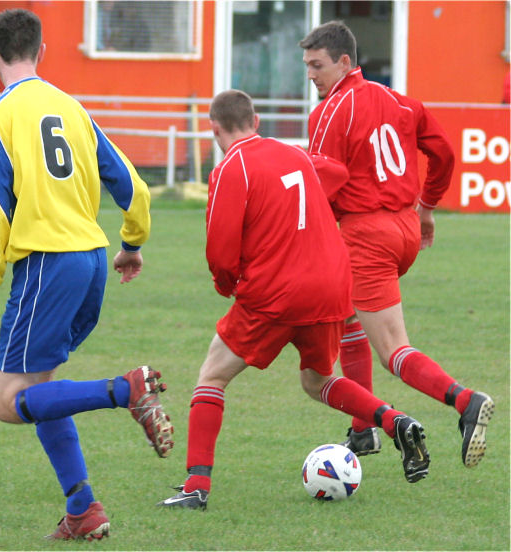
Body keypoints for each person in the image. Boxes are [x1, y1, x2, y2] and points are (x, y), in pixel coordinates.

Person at [157, 90, 430, 511]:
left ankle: (196, 486)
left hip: (276, 293)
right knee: (317, 380)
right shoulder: (297, 155)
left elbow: (220, 250)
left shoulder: (232, 166)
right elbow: (335, 173)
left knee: (212, 377)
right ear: (257, 121)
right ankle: (396, 421)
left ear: (214, 130)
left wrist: (227, 284)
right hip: (332, 286)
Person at [0, 9, 173, 541]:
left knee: (7, 403)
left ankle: (123, 390)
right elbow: (135, 187)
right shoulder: (73, 107)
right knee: (41, 384)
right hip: (92, 262)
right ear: (43, 51)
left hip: (44, 265)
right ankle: (83, 507)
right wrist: (132, 243)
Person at [299, 21, 493, 466]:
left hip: (366, 235)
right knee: (348, 315)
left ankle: (465, 402)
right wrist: (427, 206)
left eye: (317, 65)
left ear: (344, 62)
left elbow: (322, 183)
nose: (311, 75)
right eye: (307, 65)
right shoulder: (398, 100)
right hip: (404, 227)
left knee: (394, 350)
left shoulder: (329, 111)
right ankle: (363, 430)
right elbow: (444, 151)